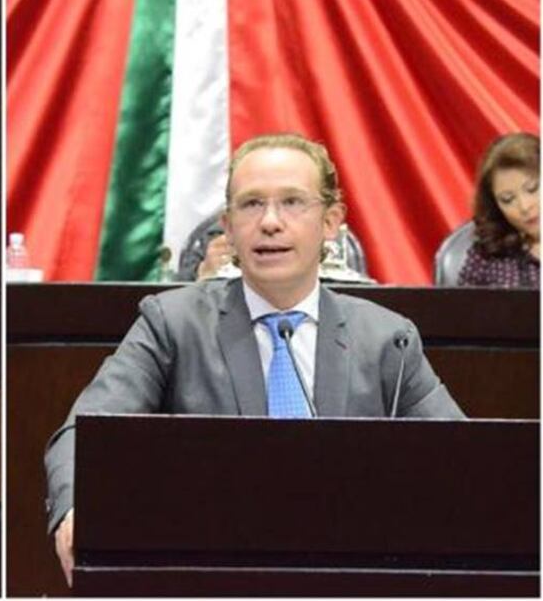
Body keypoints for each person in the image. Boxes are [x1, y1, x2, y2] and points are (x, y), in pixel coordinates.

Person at [44, 132, 465, 586]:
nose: (269, 222)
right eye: (250, 205)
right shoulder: (173, 324)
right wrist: (76, 507)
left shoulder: (387, 339)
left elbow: (463, 463)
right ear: (227, 225)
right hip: (211, 577)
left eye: (292, 203)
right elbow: (82, 433)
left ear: (331, 222)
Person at [457, 133, 539, 288]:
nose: (524, 206)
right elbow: (460, 310)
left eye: (532, 189)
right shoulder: (486, 257)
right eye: (508, 199)